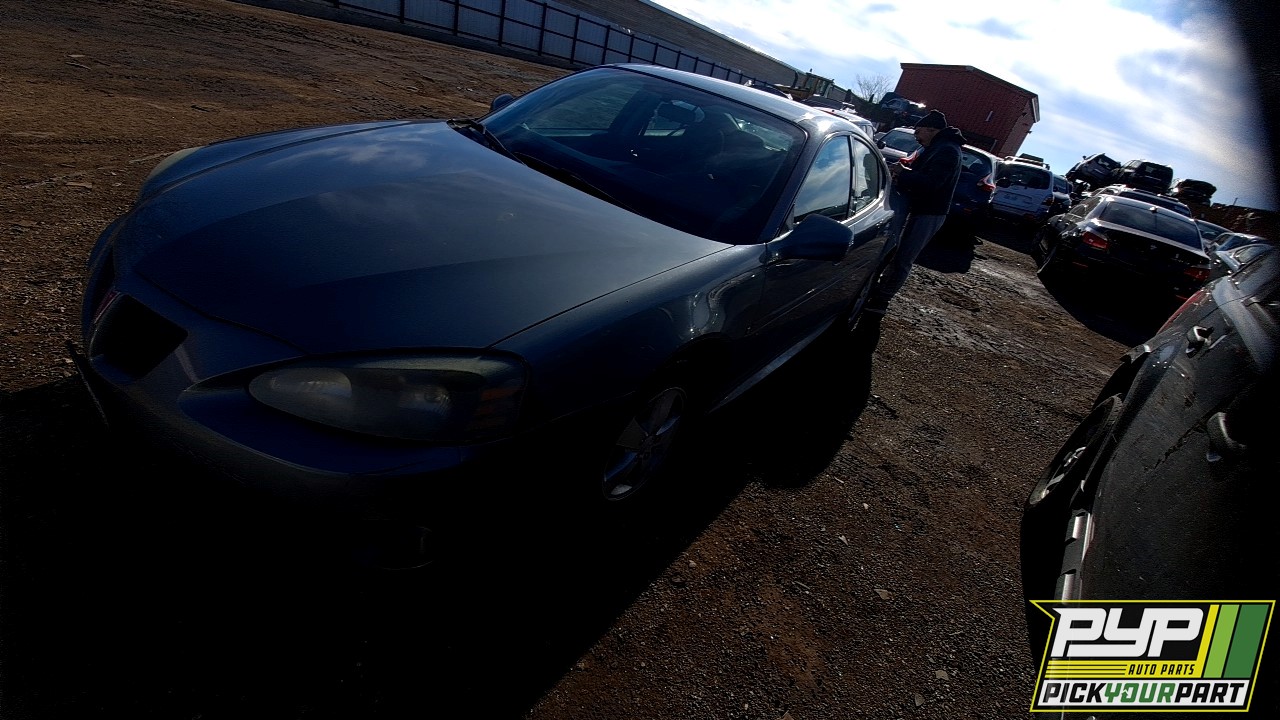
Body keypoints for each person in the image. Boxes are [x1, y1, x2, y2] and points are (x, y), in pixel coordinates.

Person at [864, 109, 966, 317]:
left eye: (918, 131)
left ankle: (881, 301)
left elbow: (932, 184)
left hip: (929, 213)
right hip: (918, 209)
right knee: (896, 253)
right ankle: (877, 292)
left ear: (931, 130)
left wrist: (903, 173)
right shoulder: (936, 146)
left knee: (903, 258)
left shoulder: (947, 151)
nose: (916, 136)